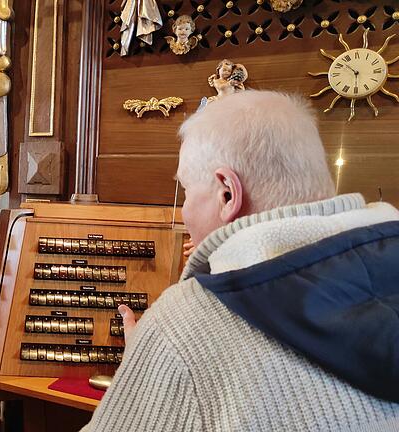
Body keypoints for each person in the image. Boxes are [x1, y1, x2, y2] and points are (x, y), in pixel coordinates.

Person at [81, 90, 399, 431]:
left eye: (186, 190)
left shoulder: (183, 325)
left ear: (227, 193)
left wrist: (152, 365)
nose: (183, 211)